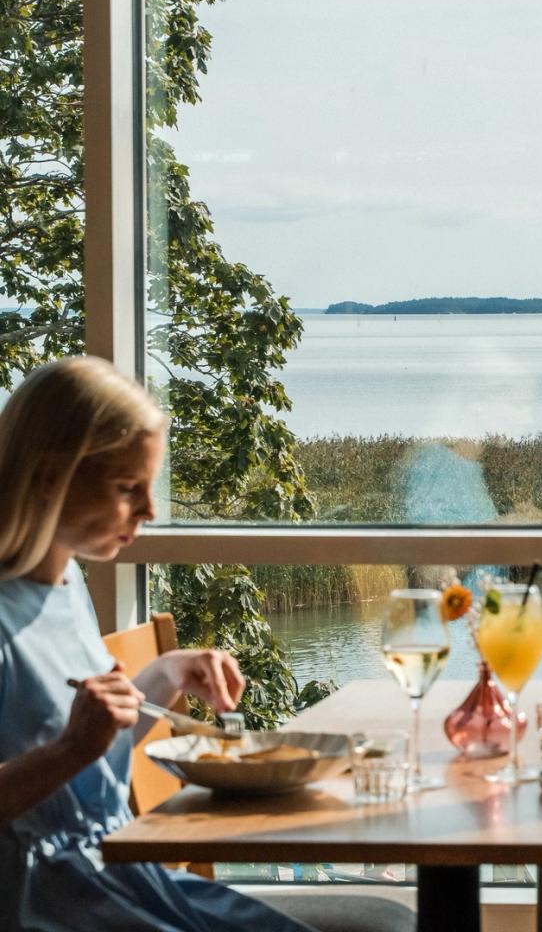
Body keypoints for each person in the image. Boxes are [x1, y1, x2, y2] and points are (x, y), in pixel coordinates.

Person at [0, 357, 410, 932]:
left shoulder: (64, 581)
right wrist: (70, 749)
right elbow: (68, 748)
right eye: (127, 488)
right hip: (43, 902)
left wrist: (166, 674)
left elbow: (87, 743)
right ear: (48, 476)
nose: (148, 510)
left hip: (119, 872)